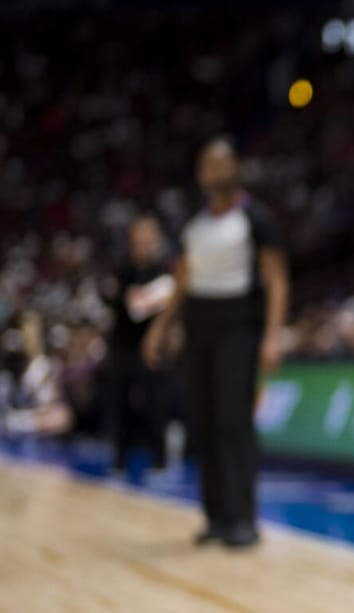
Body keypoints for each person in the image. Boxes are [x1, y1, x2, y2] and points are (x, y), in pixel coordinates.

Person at [144, 138, 289, 548]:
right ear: (200, 173)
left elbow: (276, 279)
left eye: (222, 164)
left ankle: (244, 518)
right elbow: (183, 282)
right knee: (204, 420)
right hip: (199, 325)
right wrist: (161, 327)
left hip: (238, 325)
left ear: (235, 169)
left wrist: (273, 335)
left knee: (233, 420)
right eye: (208, 165)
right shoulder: (195, 226)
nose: (215, 172)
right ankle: (216, 517)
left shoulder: (256, 219)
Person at [104, 215, 175, 472]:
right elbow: (131, 307)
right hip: (122, 346)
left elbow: (155, 306)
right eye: (139, 238)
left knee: (155, 402)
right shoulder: (122, 271)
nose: (143, 244)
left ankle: (160, 459)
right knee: (120, 403)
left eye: (148, 238)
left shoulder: (165, 272)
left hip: (152, 350)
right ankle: (120, 460)